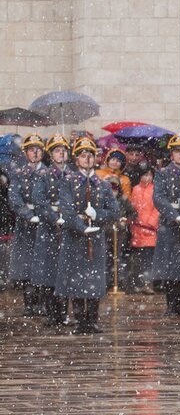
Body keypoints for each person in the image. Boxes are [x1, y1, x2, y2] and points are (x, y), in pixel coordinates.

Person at [55, 136, 119, 334]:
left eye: (90, 155)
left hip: (96, 237)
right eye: (83, 156)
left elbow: (115, 211)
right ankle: (80, 320)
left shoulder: (103, 185)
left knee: (93, 279)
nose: (87, 159)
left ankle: (92, 319)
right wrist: (82, 225)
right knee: (75, 280)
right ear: (77, 160)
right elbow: (66, 211)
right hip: (75, 237)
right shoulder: (68, 182)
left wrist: (97, 215)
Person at [151, 133, 180, 316]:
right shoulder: (163, 174)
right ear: (172, 154)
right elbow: (159, 198)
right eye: (178, 151)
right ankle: (171, 304)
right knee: (170, 266)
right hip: (170, 224)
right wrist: (174, 215)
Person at [31, 134, 71, 327]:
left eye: (63, 150)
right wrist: (55, 218)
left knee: (67, 271)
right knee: (49, 272)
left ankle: (64, 312)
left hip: (68, 227)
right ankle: (52, 312)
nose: (60, 154)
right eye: (56, 151)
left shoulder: (71, 174)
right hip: (49, 227)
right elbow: (39, 201)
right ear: (51, 154)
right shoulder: (44, 175)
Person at [7, 134, 46, 316]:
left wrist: (45, 214)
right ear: (26, 152)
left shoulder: (49, 172)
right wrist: (29, 215)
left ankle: (45, 303)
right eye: (31, 149)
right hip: (26, 226)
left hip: (46, 224)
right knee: (27, 266)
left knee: (45, 264)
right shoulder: (19, 174)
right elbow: (14, 199)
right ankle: (30, 304)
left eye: (38, 149)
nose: (35, 153)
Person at [129, 165, 158, 293]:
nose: (148, 177)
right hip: (137, 228)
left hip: (150, 229)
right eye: (145, 175)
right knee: (138, 259)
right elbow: (132, 206)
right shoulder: (135, 189)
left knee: (149, 259)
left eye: (150, 175)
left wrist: (151, 222)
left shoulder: (155, 190)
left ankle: (148, 283)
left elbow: (157, 208)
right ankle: (139, 283)